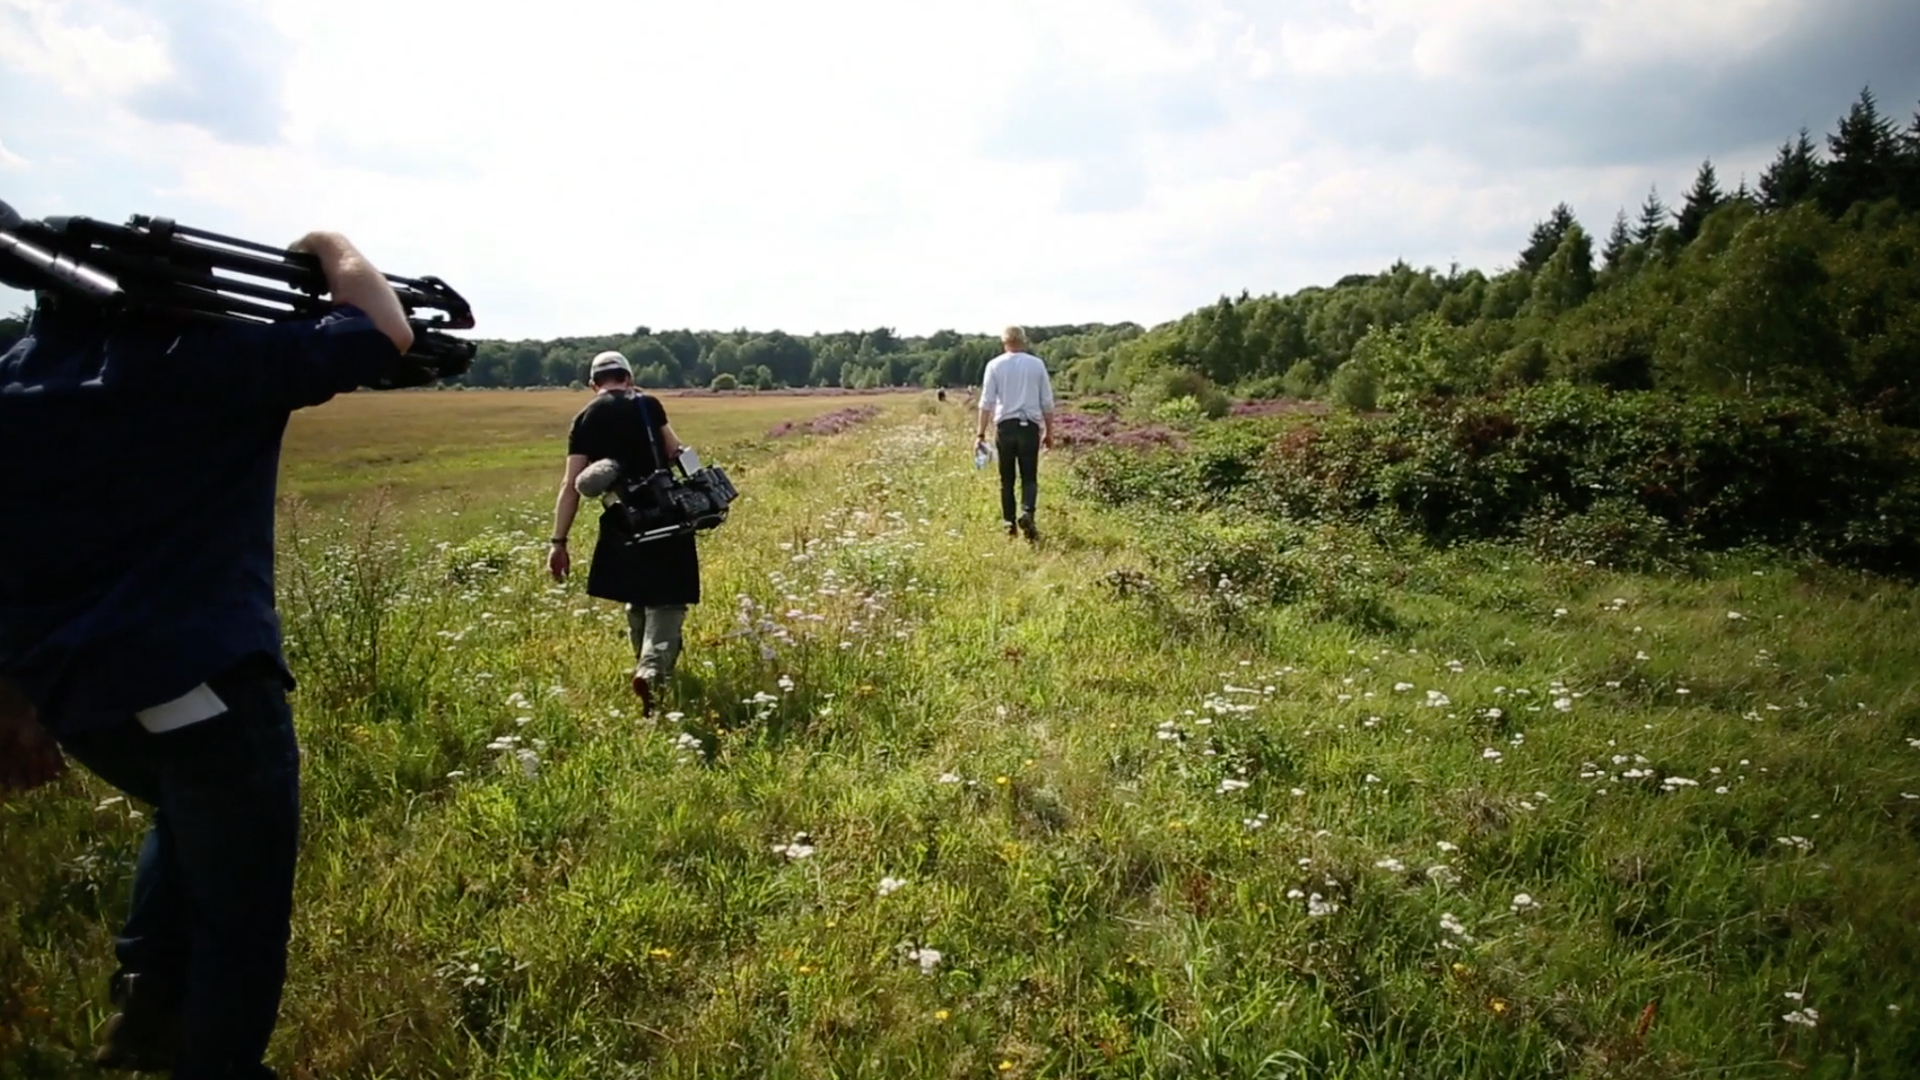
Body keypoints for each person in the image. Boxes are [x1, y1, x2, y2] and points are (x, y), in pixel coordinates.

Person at [0, 231, 415, 1077]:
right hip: (204, 687)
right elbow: (383, 330)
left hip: (81, 703)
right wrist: (329, 245)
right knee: (244, 914)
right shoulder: (208, 362)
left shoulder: (12, 377)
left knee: (184, 820)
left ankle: (146, 1004)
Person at [548, 351, 701, 713]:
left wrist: (558, 542)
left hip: (622, 520)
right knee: (668, 598)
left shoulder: (584, 419)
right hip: (666, 513)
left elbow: (571, 484)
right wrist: (704, 484)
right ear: (629, 377)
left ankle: (649, 676)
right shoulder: (648, 404)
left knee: (637, 598)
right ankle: (651, 673)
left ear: (593, 384)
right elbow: (675, 450)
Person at [975, 326, 1056, 541]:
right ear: (1024, 341)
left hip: (1005, 426)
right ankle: (1027, 513)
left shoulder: (994, 365)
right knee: (1029, 477)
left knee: (1007, 479)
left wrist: (980, 434)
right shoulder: (1036, 364)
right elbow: (1047, 402)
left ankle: (1009, 525)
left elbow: (986, 402)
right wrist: (1049, 431)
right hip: (1029, 426)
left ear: (1004, 342)